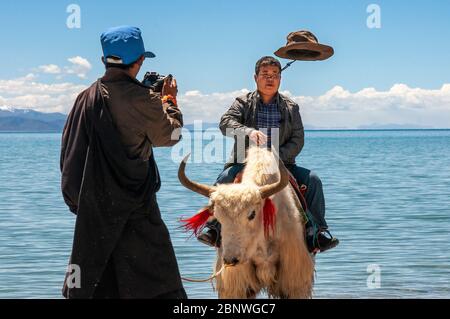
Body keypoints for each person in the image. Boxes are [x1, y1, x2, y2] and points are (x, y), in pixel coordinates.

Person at [60, 26, 186, 298]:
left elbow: (68, 158)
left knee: (99, 289)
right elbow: (172, 135)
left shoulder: (84, 98)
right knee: (160, 289)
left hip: (93, 217)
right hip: (138, 215)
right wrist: (170, 101)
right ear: (140, 61)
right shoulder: (144, 99)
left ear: (105, 60)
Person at [197, 56, 339, 253]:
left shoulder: (291, 107)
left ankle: (315, 232)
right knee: (224, 179)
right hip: (244, 164)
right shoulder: (242, 103)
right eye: (265, 75)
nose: (270, 79)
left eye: (275, 75)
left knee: (313, 180)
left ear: (280, 79)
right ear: (255, 78)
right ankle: (214, 227)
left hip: (282, 164)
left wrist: (275, 156)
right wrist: (248, 132)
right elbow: (225, 123)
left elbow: (298, 140)